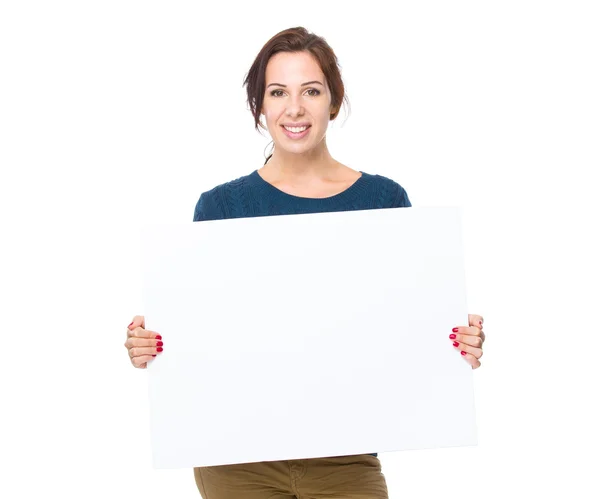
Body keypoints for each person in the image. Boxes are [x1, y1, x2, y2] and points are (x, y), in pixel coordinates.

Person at [123, 26, 486, 499]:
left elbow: (402, 326)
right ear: (260, 106)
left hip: (346, 458)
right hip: (236, 460)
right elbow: (204, 332)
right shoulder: (220, 207)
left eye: (311, 91)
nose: (294, 108)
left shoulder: (383, 200)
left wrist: (453, 342)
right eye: (278, 92)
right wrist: (152, 344)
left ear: (333, 101)